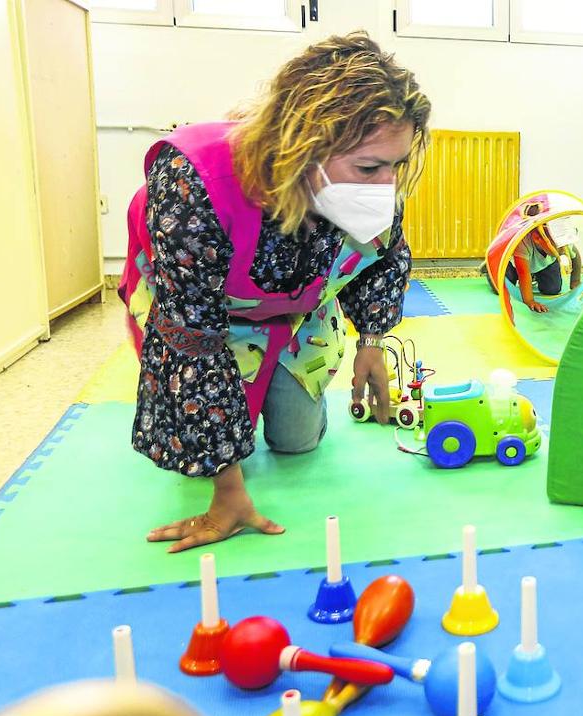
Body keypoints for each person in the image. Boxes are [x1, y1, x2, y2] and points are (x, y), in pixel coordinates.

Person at [117, 32, 430, 553]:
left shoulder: (363, 186)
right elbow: (190, 334)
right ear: (303, 148)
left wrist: (372, 341)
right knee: (203, 452)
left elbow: (384, 256)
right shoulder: (196, 180)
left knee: (297, 443)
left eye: (394, 166)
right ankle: (227, 438)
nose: (385, 186)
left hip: (296, 314)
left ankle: (271, 397)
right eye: (370, 167)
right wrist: (228, 490)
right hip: (202, 314)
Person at [485, 202, 582, 312]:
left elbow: (576, 257)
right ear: (537, 238)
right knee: (501, 288)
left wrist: (575, 281)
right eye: (558, 248)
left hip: (544, 264)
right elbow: (523, 274)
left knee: (552, 289)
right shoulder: (523, 242)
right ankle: (488, 269)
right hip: (515, 267)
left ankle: (535, 275)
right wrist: (529, 300)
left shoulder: (563, 241)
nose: (562, 251)